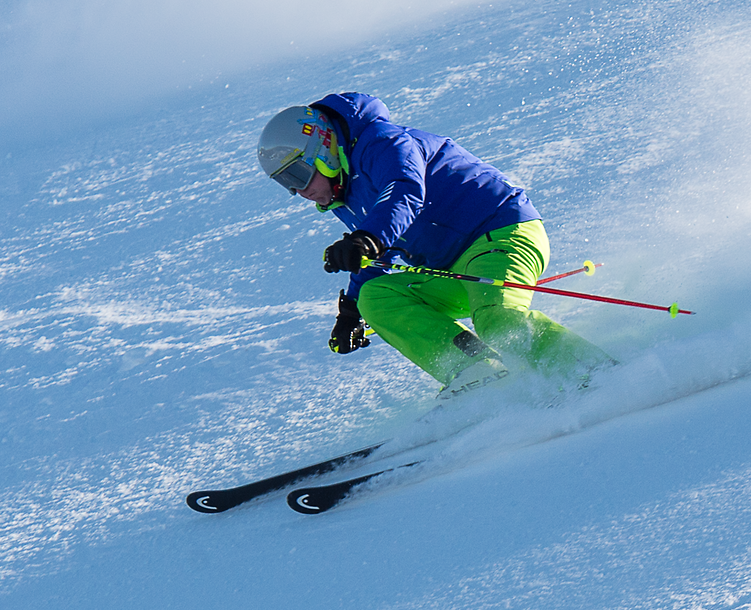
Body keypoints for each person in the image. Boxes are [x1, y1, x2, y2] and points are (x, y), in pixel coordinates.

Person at [255, 92, 608, 390]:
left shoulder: (382, 143)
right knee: (376, 297)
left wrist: (366, 238)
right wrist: (351, 309)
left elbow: (405, 192)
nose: (299, 191)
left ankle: (595, 374)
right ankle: (478, 374)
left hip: (500, 234)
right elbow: (379, 249)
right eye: (287, 183)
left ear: (323, 147)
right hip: (451, 271)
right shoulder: (343, 194)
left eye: (299, 173)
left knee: (499, 322)